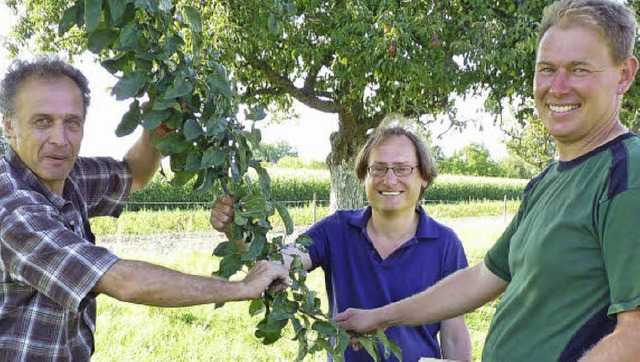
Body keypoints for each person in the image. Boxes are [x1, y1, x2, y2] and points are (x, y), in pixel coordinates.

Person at [334, 0, 640, 360]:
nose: (557, 87)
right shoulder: (550, 180)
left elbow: (634, 337)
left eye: (579, 69)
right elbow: (485, 277)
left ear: (624, 74)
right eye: (546, 69)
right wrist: (382, 317)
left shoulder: (627, 175)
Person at [0, 57, 290, 360]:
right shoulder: (13, 211)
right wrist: (242, 288)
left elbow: (133, 174)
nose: (59, 139)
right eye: (42, 121)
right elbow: (123, 281)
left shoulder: (66, 175)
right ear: (9, 125)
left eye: (71, 122)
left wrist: (159, 121)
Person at [211, 122, 472, 361]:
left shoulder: (445, 244)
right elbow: (274, 265)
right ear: (364, 176)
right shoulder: (337, 229)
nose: (390, 179)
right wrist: (236, 231)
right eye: (378, 168)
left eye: (403, 169)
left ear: (423, 177)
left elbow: (454, 334)